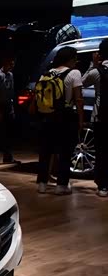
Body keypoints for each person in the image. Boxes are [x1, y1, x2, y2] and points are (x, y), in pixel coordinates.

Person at [32, 46, 84, 195]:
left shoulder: (47, 74)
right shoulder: (74, 73)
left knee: (45, 151)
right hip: (65, 116)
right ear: (70, 59)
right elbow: (78, 98)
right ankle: (61, 185)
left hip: (47, 116)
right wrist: (80, 120)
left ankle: (42, 184)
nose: (76, 61)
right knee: (65, 151)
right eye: (75, 58)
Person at [80, 38, 108, 197]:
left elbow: (81, 83)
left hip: (100, 117)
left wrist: (93, 64)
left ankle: (103, 186)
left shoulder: (96, 72)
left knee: (101, 152)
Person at [0, 56, 19, 164]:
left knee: (9, 132)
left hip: (8, 106)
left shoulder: (10, 75)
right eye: (10, 64)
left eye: (13, 64)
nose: (12, 66)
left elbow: (11, 92)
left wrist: (12, 108)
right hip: (0, 105)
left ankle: (8, 156)